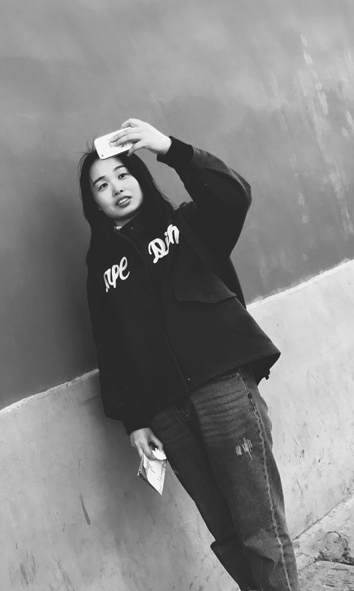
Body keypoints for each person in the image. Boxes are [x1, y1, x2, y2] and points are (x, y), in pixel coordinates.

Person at [78, 118, 299, 591]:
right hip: (167, 414)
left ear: (140, 177)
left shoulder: (187, 225)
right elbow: (111, 347)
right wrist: (135, 420)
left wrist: (169, 148)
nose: (116, 188)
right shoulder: (102, 268)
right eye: (102, 185)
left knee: (259, 528)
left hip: (223, 391)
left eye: (123, 174)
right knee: (227, 535)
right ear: (93, 202)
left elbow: (234, 195)